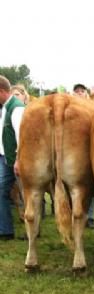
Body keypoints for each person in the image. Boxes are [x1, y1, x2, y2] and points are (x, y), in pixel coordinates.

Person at [0, 75, 25, 240]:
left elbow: (21, 137)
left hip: (17, 160)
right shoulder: (5, 107)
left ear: (1, 91)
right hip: (7, 159)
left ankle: (33, 231)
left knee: (28, 195)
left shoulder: (16, 108)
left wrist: (18, 159)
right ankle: (6, 230)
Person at [72, 83, 94, 229]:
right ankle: (76, 215)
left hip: (91, 150)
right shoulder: (71, 109)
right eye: (77, 91)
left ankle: (90, 217)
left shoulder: (92, 108)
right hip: (75, 152)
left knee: (91, 186)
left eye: (82, 91)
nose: (79, 93)